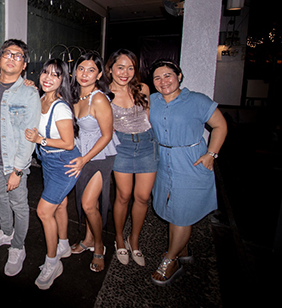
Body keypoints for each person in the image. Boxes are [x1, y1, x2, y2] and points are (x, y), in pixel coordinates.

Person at [148, 59, 227, 286]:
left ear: (179, 76)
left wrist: (211, 154)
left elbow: (220, 126)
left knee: (182, 213)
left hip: (190, 162)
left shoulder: (197, 100)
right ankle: (181, 248)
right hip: (163, 161)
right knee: (171, 209)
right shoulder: (152, 100)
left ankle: (171, 260)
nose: (163, 81)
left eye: (168, 75)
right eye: (157, 78)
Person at [0, 39, 40, 277]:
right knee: (0, 197)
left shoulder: (29, 93)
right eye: (7, 54)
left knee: (19, 205)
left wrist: (17, 170)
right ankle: (6, 232)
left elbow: (29, 135)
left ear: (24, 65)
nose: (12, 58)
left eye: (18, 56)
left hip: (14, 162)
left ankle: (18, 246)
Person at [24, 58, 80, 289]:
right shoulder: (40, 99)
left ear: (62, 79)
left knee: (44, 211)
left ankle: (52, 263)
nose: (48, 78)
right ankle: (63, 245)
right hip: (48, 161)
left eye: (55, 75)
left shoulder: (61, 107)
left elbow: (68, 143)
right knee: (60, 204)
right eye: (45, 72)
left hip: (64, 163)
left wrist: (41, 139)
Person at [64, 52, 119, 273]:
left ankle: (99, 246)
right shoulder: (74, 96)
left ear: (99, 75)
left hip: (99, 155)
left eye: (91, 70)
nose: (85, 74)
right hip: (81, 154)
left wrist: (84, 159)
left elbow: (107, 135)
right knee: (88, 203)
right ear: (74, 72)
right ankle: (87, 239)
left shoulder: (99, 98)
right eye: (81, 69)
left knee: (88, 204)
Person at [105, 49, 158, 267]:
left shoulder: (142, 88)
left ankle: (133, 239)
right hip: (122, 146)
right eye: (120, 67)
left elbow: (149, 117)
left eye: (130, 68)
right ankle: (119, 238)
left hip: (146, 144)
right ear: (110, 69)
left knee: (143, 197)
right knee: (123, 195)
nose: (125, 73)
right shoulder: (104, 93)